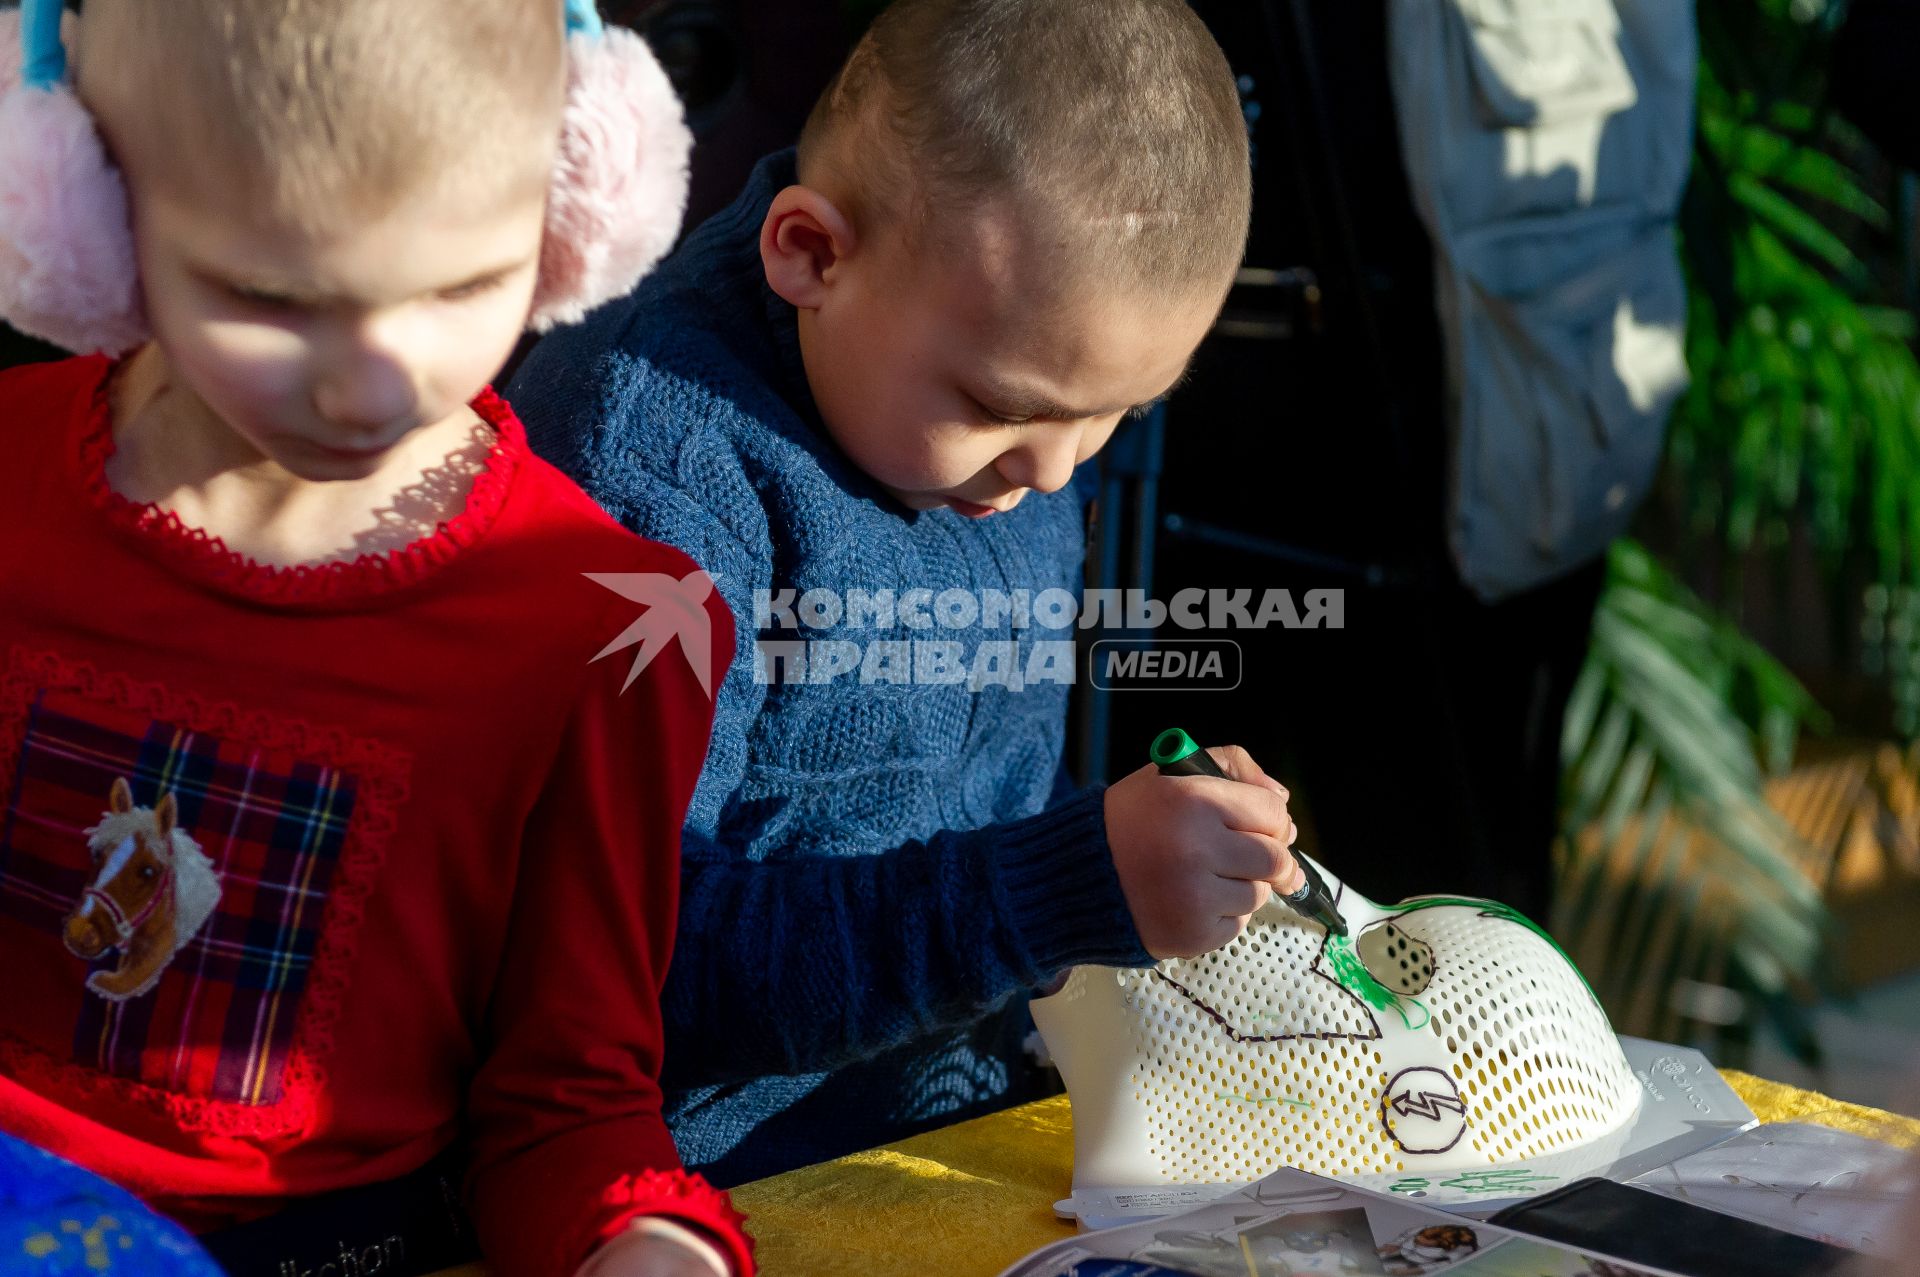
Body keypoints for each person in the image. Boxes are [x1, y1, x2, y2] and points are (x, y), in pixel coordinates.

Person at [0, 2, 750, 1275]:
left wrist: (648, 1246)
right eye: (270, 299)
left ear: (575, 215)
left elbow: (566, 1098)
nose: (374, 385)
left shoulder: (610, 625)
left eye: (466, 284)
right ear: (78, 207)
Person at [509, 0, 1302, 1184]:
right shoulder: (649, 465)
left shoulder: (993, 445)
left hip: (960, 1128)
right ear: (812, 254)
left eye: (1120, 411)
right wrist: (1070, 882)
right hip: (702, 1193)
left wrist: (1149, 848)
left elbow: (970, 799)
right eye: (1004, 403)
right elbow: (627, 969)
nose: (1054, 470)